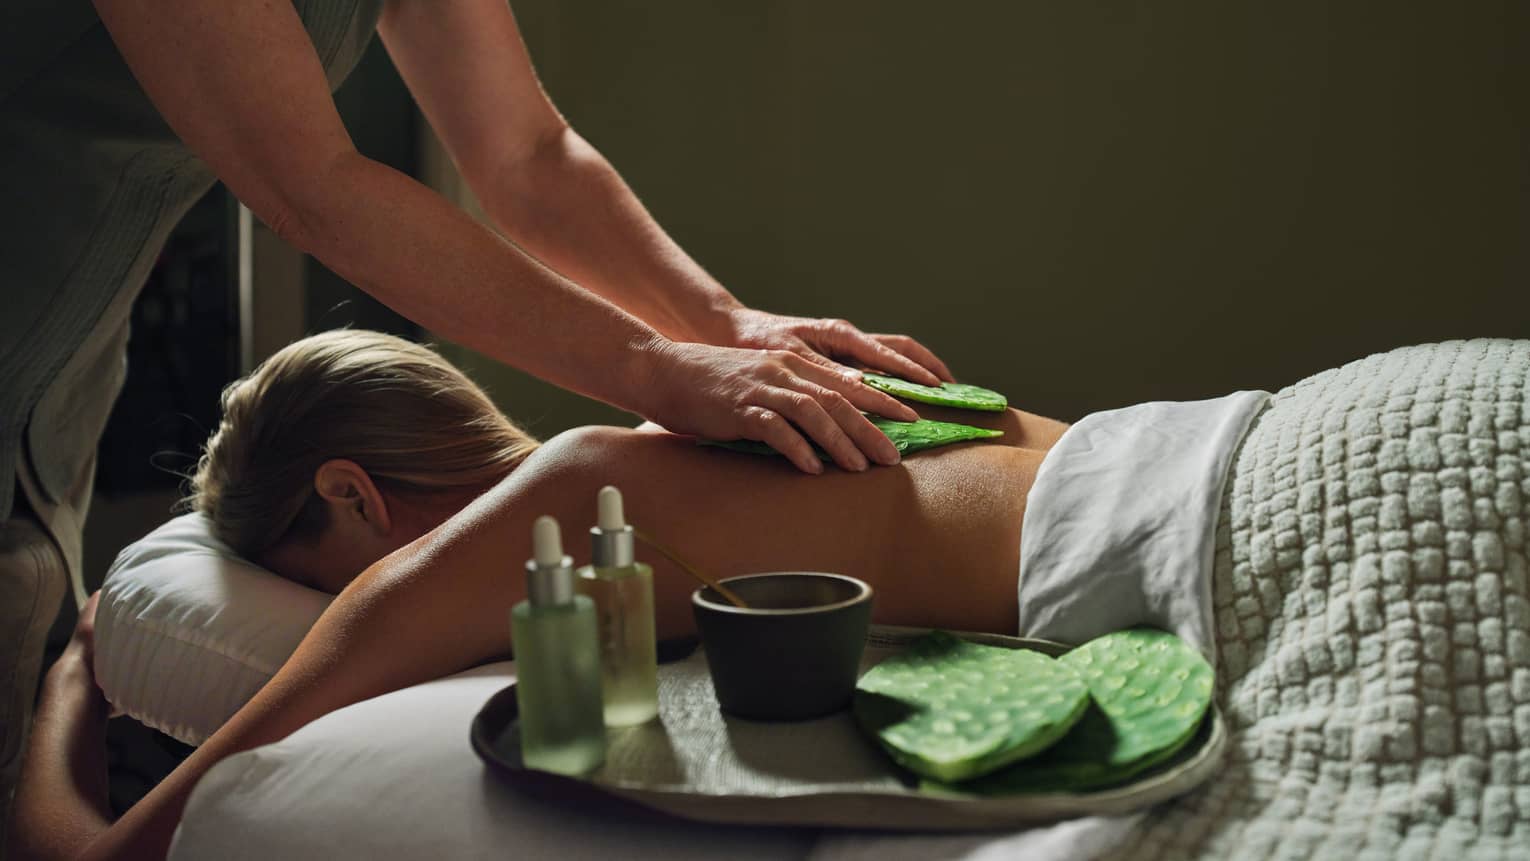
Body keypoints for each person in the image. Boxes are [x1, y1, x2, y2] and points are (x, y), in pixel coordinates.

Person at [0, 0, 953, 839]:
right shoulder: (602, 489)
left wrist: (729, 331)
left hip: (55, 389)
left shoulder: (562, 504)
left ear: (351, 494)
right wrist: (662, 365)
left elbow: (529, 156)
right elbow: (310, 183)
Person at [7, 329, 1066, 860]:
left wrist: (67, 691)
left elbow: (103, 858)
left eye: (306, 579)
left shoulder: (536, 520)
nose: (336, 607)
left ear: (352, 497)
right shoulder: (761, 398)